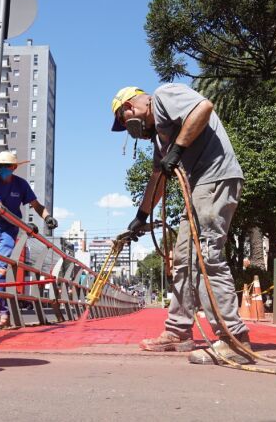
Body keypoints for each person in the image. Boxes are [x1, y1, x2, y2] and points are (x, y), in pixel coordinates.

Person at [110, 84, 250, 365]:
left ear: (129, 109)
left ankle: (234, 340)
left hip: (215, 179)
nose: (129, 130)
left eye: (125, 123)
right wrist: (141, 217)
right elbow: (157, 177)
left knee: (206, 257)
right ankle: (178, 331)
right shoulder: (160, 140)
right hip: (199, 188)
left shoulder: (163, 96)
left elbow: (203, 107)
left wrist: (178, 149)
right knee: (184, 260)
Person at [0, 151, 57, 327]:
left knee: (1, 266)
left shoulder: (21, 185)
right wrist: (25, 223)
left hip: (10, 229)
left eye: (5, 166)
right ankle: (4, 311)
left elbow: (36, 205)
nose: (2, 169)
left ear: (14, 167)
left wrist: (47, 217)